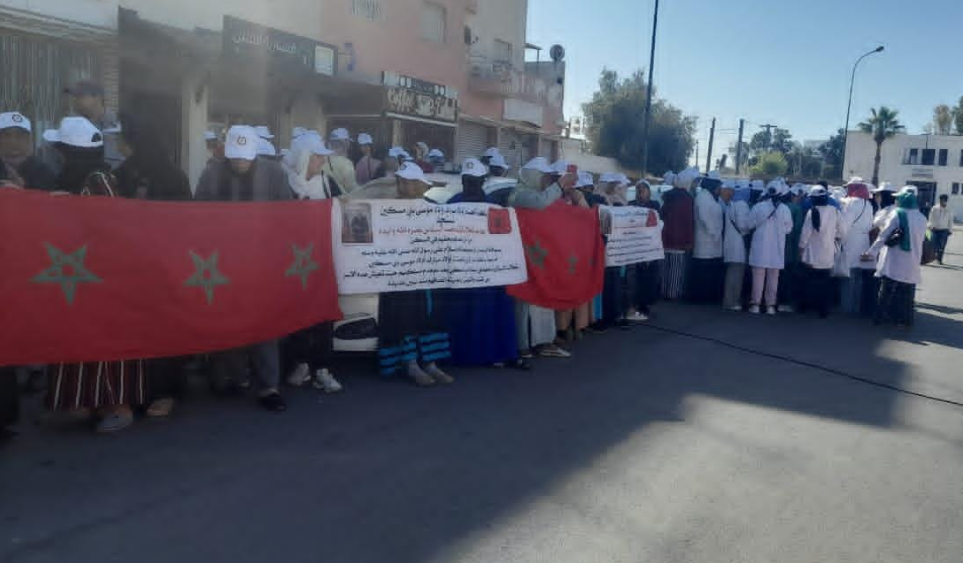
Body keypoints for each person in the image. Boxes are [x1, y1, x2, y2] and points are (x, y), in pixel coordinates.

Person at [40, 116, 147, 432]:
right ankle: (82, 402)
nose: (58, 155)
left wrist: (70, 206)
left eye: (61, 149)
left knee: (104, 344)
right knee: (77, 338)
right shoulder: (73, 178)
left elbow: (112, 225)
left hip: (102, 279)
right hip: (78, 274)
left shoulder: (98, 179)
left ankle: (118, 406)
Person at [195, 125, 290, 411]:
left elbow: (288, 216)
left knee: (264, 326)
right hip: (223, 262)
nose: (240, 164)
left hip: (261, 262)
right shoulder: (212, 173)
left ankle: (269, 386)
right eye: (235, 158)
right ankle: (233, 377)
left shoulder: (274, 174)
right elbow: (196, 213)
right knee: (227, 320)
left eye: (245, 159)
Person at [111, 114, 194, 417]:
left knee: (163, 332)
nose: (119, 143)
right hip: (131, 268)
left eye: (124, 138)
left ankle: (166, 391)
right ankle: (136, 391)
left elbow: (186, 223)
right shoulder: (121, 173)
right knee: (137, 331)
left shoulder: (172, 177)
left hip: (163, 267)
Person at [438, 158, 525, 369]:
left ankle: (492, 355)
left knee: (487, 314)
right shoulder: (451, 206)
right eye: (468, 181)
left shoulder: (494, 209)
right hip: (460, 274)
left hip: (488, 275)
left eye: (474, 181)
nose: (471, 186)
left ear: (481, 181)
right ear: (463, 181)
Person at [376, 162, 455, 386]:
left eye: (410, 181)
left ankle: (431, 363)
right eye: (402, 180)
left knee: (430, 315)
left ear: (422, 185)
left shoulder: (433, 208)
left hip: (428, 273)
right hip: (399, 275)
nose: (404, 185)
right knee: (403, 316)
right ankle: (410, 363)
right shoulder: (386, 208)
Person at [278, 133, 343, 392]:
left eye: (322, 157)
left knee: (323, 313)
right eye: (316, 156)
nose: (321, 161)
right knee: (297, 314)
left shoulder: (327, 184)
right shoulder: (284, 184)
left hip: (323, 260)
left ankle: (322, 368)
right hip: (291, 263)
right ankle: (300, 364)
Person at [508, 157, 575, 358]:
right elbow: (540, 202)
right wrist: (560, 185)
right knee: (523, 302)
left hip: (537, 256)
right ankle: (523, 345)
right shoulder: (519, 194)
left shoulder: (539, 194)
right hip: (522, 256)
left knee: (541, 300)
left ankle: (543, 341)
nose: (545, 180)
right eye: (543, 176)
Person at [864, 187, 927, 327]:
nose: (896, 200)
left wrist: (871, 253)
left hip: (895, 260)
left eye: (898, 198)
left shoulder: (897, 214)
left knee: (886, 291)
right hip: (912, 261)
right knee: (908, 294)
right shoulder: (922, 218)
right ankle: (907, 320)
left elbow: (883, 236)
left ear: (903, 200)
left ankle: (879, 318)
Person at [798, 185, 846, 318]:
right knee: (825, 283)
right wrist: (836, 238)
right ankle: (823, 310)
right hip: (828, 254)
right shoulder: (835, 211)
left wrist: (801, 249)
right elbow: (843, 231)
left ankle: (805, 306)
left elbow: (805, 234)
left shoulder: (811, 211)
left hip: (812, 254)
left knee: (808, 281)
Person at [747, 180, 794, 315]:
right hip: (776, 249)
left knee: (758, 277)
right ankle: (770, 306)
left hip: (759, 248)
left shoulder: (758, 206)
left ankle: (755, 305)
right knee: (773, 278)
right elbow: (788, 229)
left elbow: (749, 224)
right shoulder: (785, 209)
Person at [839, 180, 878, 315]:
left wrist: (840, 239)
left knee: (848, 277)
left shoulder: (851, 202)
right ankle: (856, 308)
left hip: (851, 241)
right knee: (859, 276)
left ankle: (847, 308)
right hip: (864, 242)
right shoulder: (868, 204)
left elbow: (844, 225)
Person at [660, 168, 697, 300]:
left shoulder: (669, 195)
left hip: (665, 237)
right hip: (680, 239)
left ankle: (663, 291)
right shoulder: (687, 198)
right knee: (676, 269)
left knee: (665, 267)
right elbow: (688, 221)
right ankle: (673, 293)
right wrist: (690, 240)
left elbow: (662, 215)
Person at [690, 171, 725, 304]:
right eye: (718, 185)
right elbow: (705, 218)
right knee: (703, 273)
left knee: (710, 273)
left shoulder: (711, 197)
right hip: (705, 242)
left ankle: (708, 298)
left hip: (713, 243)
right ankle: (701, 299)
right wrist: (714, 233)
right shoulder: (703, 197)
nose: (720, 188)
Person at [629, 180, 663, 319]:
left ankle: (644, 304)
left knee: (648, 276)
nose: (640, 192)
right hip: (634, 244)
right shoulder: (631, 204)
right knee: (635, 276)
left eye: (643, 189)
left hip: (649, 245)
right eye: (638, 189)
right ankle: (635, 303)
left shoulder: (654, 205)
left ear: (649, 191)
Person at [0, 111, 57, 191]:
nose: (13, 142)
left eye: (20, 136)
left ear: (29, 141)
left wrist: (24, 190)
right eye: (6, 135)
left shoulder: (43, 172)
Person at [722, 181, 751, 311]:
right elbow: (743, 225)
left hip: (730, 243)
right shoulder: (742, 205)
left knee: (731, 272)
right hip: (738, 244)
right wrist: (750, 228)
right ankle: (732, 302)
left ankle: (729, 300)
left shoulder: (731, 204)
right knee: (736, 274)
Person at [324, 128, 360, 194]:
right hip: (340, 201)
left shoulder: (320, 159)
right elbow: (352, 188)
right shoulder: (346, 163)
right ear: (345, 143)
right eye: (348, 142)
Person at [927, 194, 953, 265]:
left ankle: (939, 259)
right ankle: (931, 257)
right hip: (935, 229)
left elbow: (950, 220)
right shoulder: (935, 208)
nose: (942, 202)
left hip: (944, 230)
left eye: (944, 200)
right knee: (933, 244)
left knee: (942, 245)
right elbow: (930, 218)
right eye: (941, 200)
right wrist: (930, 226)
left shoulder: (949, 209)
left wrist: (950, 230)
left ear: (946, 201)